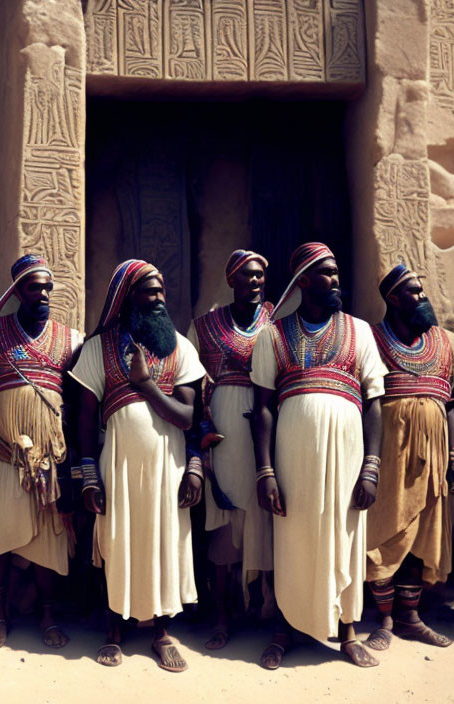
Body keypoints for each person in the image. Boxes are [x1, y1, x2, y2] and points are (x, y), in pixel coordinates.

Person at [250, 242, 387, 669]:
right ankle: (286, 628)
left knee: (345, 536)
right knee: (294, 538)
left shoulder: (360, 330)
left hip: (348, 458)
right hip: (293, 458)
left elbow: (374, 402)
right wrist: (265, 471)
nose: (337, 280)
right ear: (304, 280)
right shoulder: (273, 334)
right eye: (328, 273)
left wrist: (371, 468)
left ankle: (346, 632)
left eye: (337, 272)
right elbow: (263, 407)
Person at [71, 259, 206, 672]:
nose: (159, 298)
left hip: (169, 466)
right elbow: (84, 422)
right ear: (128, 297)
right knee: (117, 541)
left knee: (165, 541)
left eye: (162, 290)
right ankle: (114, 628)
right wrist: (89, 478)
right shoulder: (98, 348)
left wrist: (146, 385)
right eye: (150, 291)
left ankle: (161, 632)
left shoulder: (181, 346)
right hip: (120, 467)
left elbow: (187, 418)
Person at [0, 254, 82, 649]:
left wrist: (76, 471)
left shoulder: (71, 340)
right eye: (35, 287)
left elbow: (81, 408)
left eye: (48, 287)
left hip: (51, 462)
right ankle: (0, 617)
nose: (44, 293)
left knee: (50, 536)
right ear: (18, 292)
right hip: (2, 454)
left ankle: (48, 616)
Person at [364, 264, 454, 651]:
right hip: (389, 455)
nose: (422, 298)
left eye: (421, 291)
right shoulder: (371, 339)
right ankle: (385, 618)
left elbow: (452, 406)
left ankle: (410, 618)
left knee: (422, 534)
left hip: (434, 457)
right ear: (392, 298)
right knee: (384, 533)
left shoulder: (444, 343)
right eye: (413, 292)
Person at [186, 249, 274, 649]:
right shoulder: (203, 327)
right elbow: (188, 382)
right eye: (247, 276)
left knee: (262, 515)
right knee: (222, 520)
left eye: (260, 277)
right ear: (231, 281)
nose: (255, 282)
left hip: (265, 429)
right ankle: (221, 613)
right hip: (222, 433)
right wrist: (203, 426)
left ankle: (262, 604)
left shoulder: (275, 324)